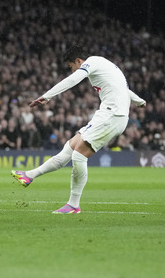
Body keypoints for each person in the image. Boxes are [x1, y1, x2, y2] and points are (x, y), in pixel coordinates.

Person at [12, 45, 146, 214]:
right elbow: (122, 88)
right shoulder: (104, 65)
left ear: (78, 61)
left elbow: (73, 80)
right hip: (108, 114)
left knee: (79, 155)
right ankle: (29, 175)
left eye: (71, 67)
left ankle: (73, 205)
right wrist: (139, 101)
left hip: (113, 115)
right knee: (71, 146)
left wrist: (47, 96)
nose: (73, 71)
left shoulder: (92, 63)